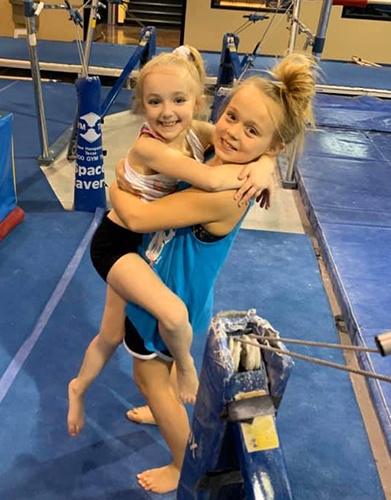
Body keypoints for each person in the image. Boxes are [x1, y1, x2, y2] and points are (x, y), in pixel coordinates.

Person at [109, 52, 317, 494]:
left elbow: (140, 220)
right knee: (162, 369)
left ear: (274, 145)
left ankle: (182, 461)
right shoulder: (223, 154)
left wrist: (116, 191)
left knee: (145, 375)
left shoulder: (225, 196)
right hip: (190, 291)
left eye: (252, 130)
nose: (232, 131)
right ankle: (161, 403)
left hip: (165, 293)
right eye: (232, 116)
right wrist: (264, 164)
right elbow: (194, 128)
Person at [67, 46, 276, 436]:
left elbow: (252, 138)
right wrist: (255, 174)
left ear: (197, 103)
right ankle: (185, 369)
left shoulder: (193, 132)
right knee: (175, 316)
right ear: (141, 106)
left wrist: (266, 163)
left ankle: (79, 387)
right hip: (118, 241)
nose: (167, 112)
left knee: (111, 334)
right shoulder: (150, 146)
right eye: (154, 102)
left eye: (178, 101)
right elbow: (212, 180)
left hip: (146, 243)